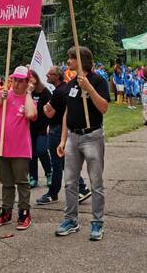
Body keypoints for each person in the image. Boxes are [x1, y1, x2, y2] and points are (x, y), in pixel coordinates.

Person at [55, 46, 110, 241]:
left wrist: (89, 89)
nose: (68, 61)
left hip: (92, 137)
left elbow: (104, 108)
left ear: (81, 60)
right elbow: (67, 113)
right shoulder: (70, 84)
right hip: (72, 137)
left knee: (96, 182)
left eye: (71, 58)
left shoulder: (98, 81)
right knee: (70, 182)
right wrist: (63, 140)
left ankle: (97, 223)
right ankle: (71, 220)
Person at [0, 66, 37, 230]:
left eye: (20, 81)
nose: (16, 84)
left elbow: (30, 115)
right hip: (1, 148)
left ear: (27, 82)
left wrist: (28, 93)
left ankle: (24, 213)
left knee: (22, 182)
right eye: (14, 80)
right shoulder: (3, 95)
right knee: (6, 183)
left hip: (21, 149)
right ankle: (6, 212)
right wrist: (0, 99)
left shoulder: (29, 99)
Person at [37, 66, 91, 205]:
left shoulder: (58, 93)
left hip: (57, 130)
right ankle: (81, 187)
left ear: (57, 76)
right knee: (65, 163)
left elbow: (49, 113)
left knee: (57, 163)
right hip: (66, 129)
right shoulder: (66, 88)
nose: (47, 75)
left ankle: (53, 193)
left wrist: (44, 107)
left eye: (50, 74)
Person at [28, 69, 53, 188]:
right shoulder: (27, 92)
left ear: (37, 78)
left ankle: (49, 173)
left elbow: (52, 108)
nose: (30, 79)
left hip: (42, 126)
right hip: (29, 127)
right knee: (31, 153)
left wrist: (50, 124)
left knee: (42, 150)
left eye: (32, 77)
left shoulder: (45, 92)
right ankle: (33, 177)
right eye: (28, 78)